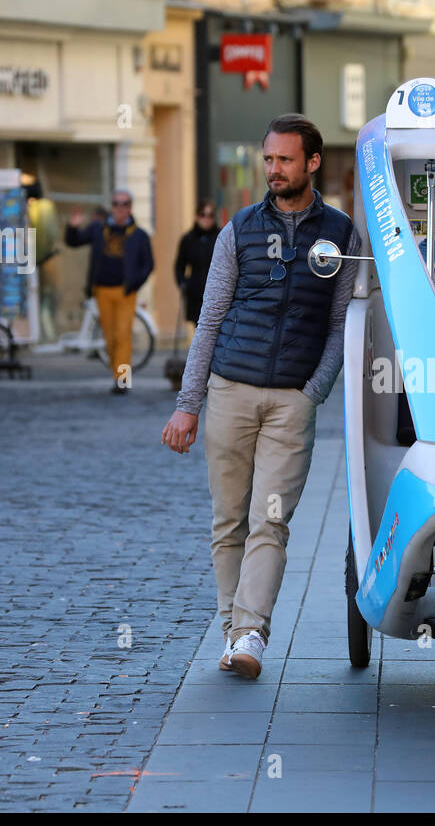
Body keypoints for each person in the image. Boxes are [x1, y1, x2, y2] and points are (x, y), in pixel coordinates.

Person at [160, 113, 359, 679]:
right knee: (229, 521)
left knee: (269, 519)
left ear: (312, 163)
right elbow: (211, 319)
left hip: (291, 401)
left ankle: (251, 633)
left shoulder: (342, 233)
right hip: (229, 390)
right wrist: (188, 402)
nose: (273, 170)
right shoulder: (238, 229)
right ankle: (233, 631)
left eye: (285, 160)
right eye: (268, 160)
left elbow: (342, 321)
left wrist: (313, 392)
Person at [64, 189, 154, 394]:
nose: (119, 208)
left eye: (123, 204)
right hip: (102, 291)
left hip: (125, 292)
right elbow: (74, 241)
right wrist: (72, 226)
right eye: (115, 204)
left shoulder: (139, 235)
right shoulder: (98, 228)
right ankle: (117, 375)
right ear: (111, 207)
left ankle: (122, 379)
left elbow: (148, 264)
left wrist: (134, 284)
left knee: (123, 335)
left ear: (130, 207)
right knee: (110, 337)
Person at [173, 199, 220, 327]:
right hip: (196, 293)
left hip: (218, 293)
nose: (206, 219)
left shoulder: (222, 237)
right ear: (196, 216)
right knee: (200, 330)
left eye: (210, 215)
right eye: (202, 215)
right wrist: (183, 283)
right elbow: (179, 266)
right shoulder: (188, 239)